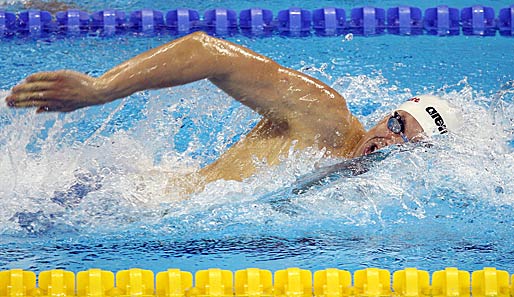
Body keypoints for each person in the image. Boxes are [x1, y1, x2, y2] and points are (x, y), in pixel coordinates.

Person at [5, 31, 461, 196]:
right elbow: (205, 52)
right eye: (397, 123)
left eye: (410, 144)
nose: (389, 141)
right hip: (114, 197)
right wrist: (99, 89)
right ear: (387, 114)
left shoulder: (371, 199)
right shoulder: (327, 119)